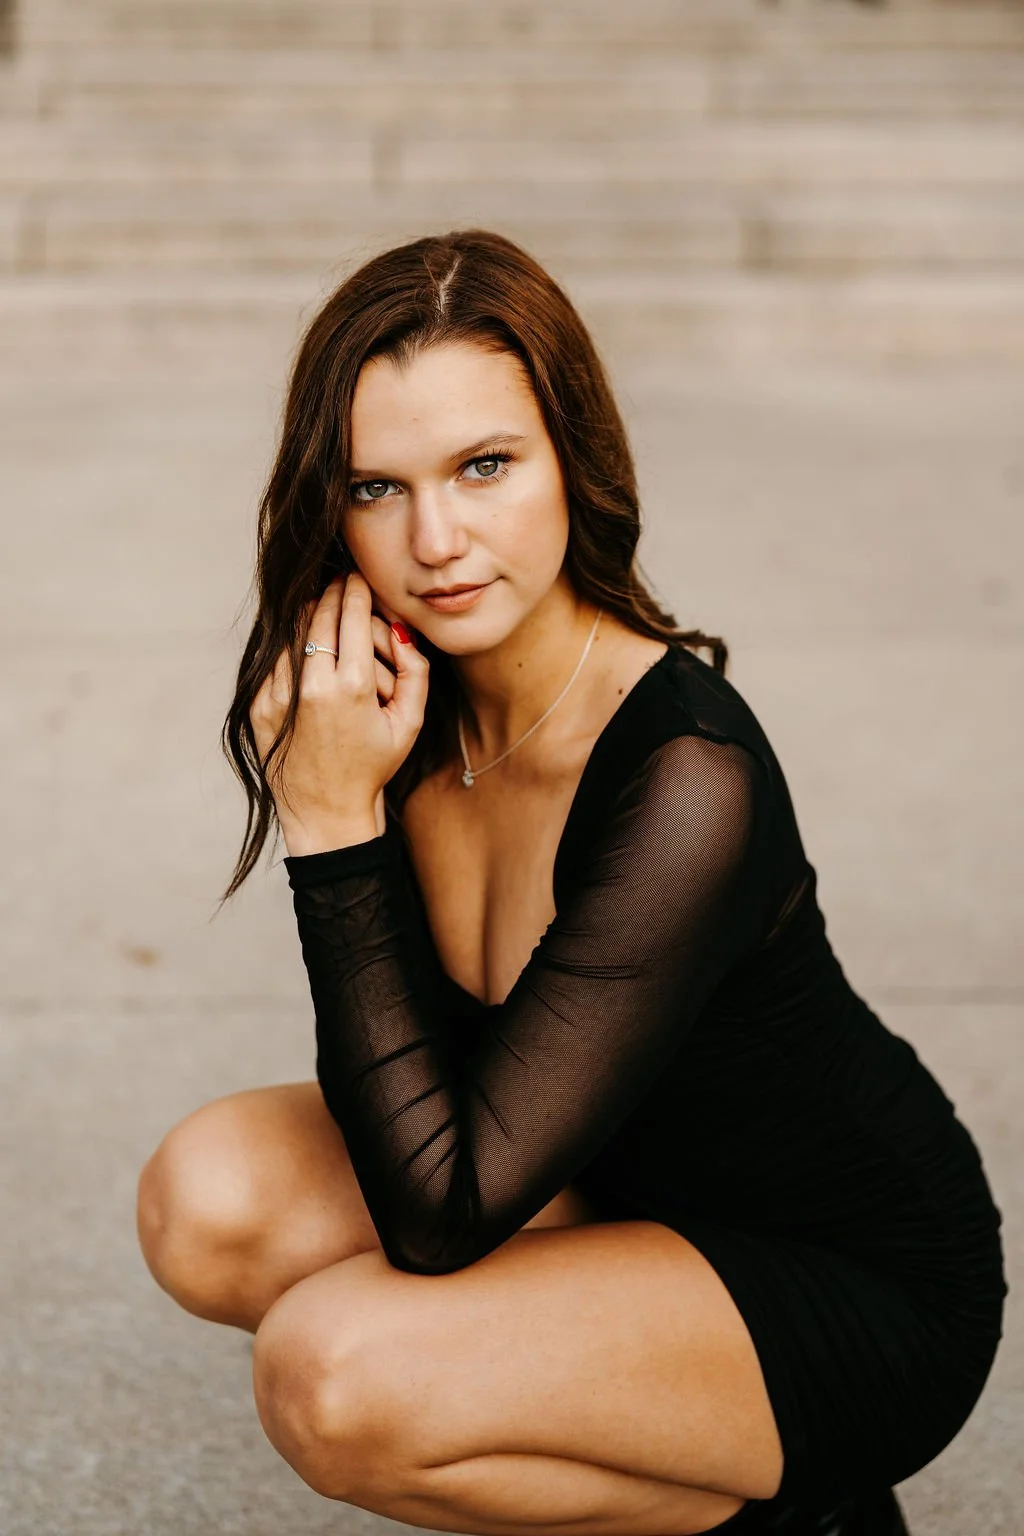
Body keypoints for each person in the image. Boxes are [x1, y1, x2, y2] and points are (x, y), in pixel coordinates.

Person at [135, 229, 1006, 1535]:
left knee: (333, 1374)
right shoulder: (403, 708)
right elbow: (430, 1116)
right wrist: (348, 790)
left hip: (840, 1275)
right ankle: (647, 1429)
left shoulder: (684, 774)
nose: (436, 539)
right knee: (203, 1198)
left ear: (572, 459)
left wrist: (329, 831)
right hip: (598, 1185)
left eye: (486, 466)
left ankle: (789, 1496)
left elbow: (438, 1221)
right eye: (378, 489)